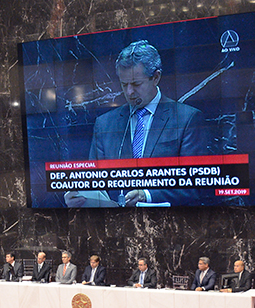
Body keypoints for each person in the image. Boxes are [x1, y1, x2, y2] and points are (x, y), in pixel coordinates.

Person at [68, 39, 207, 207]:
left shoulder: (187, 119)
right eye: (124, 84)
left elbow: (196, 185)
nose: (129, 92)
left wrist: (147, 195)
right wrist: (81, 196)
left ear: (156, 77)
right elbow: (95, 180)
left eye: (136, 84)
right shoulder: (105, 124)